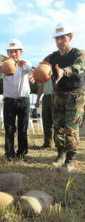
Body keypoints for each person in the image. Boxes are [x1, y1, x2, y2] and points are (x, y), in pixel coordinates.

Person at [30, 23, 85, 172]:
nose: (60, 41)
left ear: (70, 37)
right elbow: (43, 66)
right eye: (57, 38)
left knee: (71, 128)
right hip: (58, 95)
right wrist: (36, 73)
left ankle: (70, 160)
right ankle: (60, 155)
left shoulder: (78, 53)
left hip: (75, 96)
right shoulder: (52, 56)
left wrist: (64, 72)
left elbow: (79, 67)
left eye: (63, 38)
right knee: (58, 127)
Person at [0, 39, 32, 162]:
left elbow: (29, 69)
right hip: (9, 101)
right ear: (7, 53)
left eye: (16, 51)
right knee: (9, 128)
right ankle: (9, 154)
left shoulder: (24, 63)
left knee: (23, 129)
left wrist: (24, 65)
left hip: (24, 100)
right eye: (10, 52)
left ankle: (22, 154)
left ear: (21, 51)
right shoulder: (4, 65)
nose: (13, 54)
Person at [35, 79, 53, 149]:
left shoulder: (58, 71)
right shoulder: (43, 72)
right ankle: (47, 143)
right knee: (46, 121)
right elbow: (40, 88)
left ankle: (60, 145)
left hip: (57, 96)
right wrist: (37, 101)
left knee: (57, 122)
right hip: (46, 97)